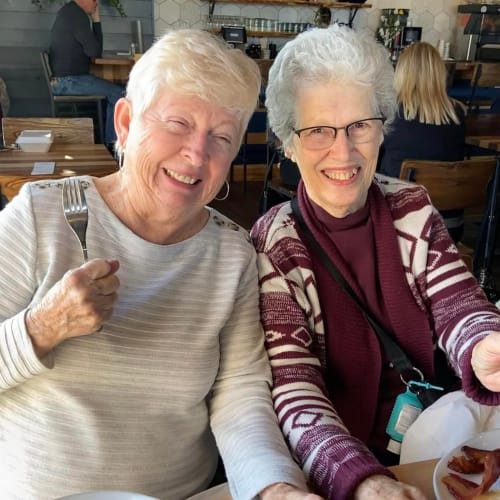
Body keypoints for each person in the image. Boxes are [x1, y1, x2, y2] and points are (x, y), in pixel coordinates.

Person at [0, 29, 319, 500]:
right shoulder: (40, 216)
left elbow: (240, 396)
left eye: (221, 137)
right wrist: (42, 327)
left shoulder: (233, 254)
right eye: (177, 123)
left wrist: (273, 487)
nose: (196, 154)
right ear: (125, 122)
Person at [250, 25, 500, 500]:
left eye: (360, 125)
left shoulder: (411, 205)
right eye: (318, 130)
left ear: (382, 127)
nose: (343, 152)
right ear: (288, 141)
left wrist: (485, 344)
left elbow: (458, 303)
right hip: (334, 465)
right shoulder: (275, 245)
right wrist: (362, 480)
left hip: (432, 439)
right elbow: (294, 387)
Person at [378, 41, 467, 242]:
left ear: (401, 73)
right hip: (450, 226)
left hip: (401, 226)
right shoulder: (458, 114)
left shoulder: (392, 114)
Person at [49, 0, 124, 145]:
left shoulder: (70, 12)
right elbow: (95, 52)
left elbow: (95, 52)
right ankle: (113, 146)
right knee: (119, 94)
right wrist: (96, 20)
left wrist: (95, 20)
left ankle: (110, 142)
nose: (97, 3)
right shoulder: (76, 15)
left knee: (114, 92)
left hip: (66, 80)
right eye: (94, 0)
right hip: (69, 81)